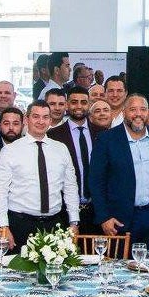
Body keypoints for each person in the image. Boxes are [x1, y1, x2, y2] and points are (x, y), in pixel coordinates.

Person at [89, 94, 149, 252]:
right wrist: (104, 217)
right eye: (133, 109)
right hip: (120, 219)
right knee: (121, 272)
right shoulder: (106, 139)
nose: (138, 114)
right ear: (124, 112)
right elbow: (96, 182)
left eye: (143, 109)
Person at [0, 101, 80, 248]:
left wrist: (74, 222)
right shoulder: (10, 151)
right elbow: (0, 191)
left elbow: (70, 188)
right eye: (36, 116)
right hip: (20, 224)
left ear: (50, 121)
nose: (41, 121)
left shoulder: (61, 149)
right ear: (27, 119)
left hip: (55, 225)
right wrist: (3, 226)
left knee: (54, 270)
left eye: (45, 117)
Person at [47, 87, 102, 235]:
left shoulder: (102, 133)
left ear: (89, 104)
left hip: (96, 211)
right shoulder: (52, 136)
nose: (79, 106)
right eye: (74, 102)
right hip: (64, 211)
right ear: (66, 105)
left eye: (83, 102)